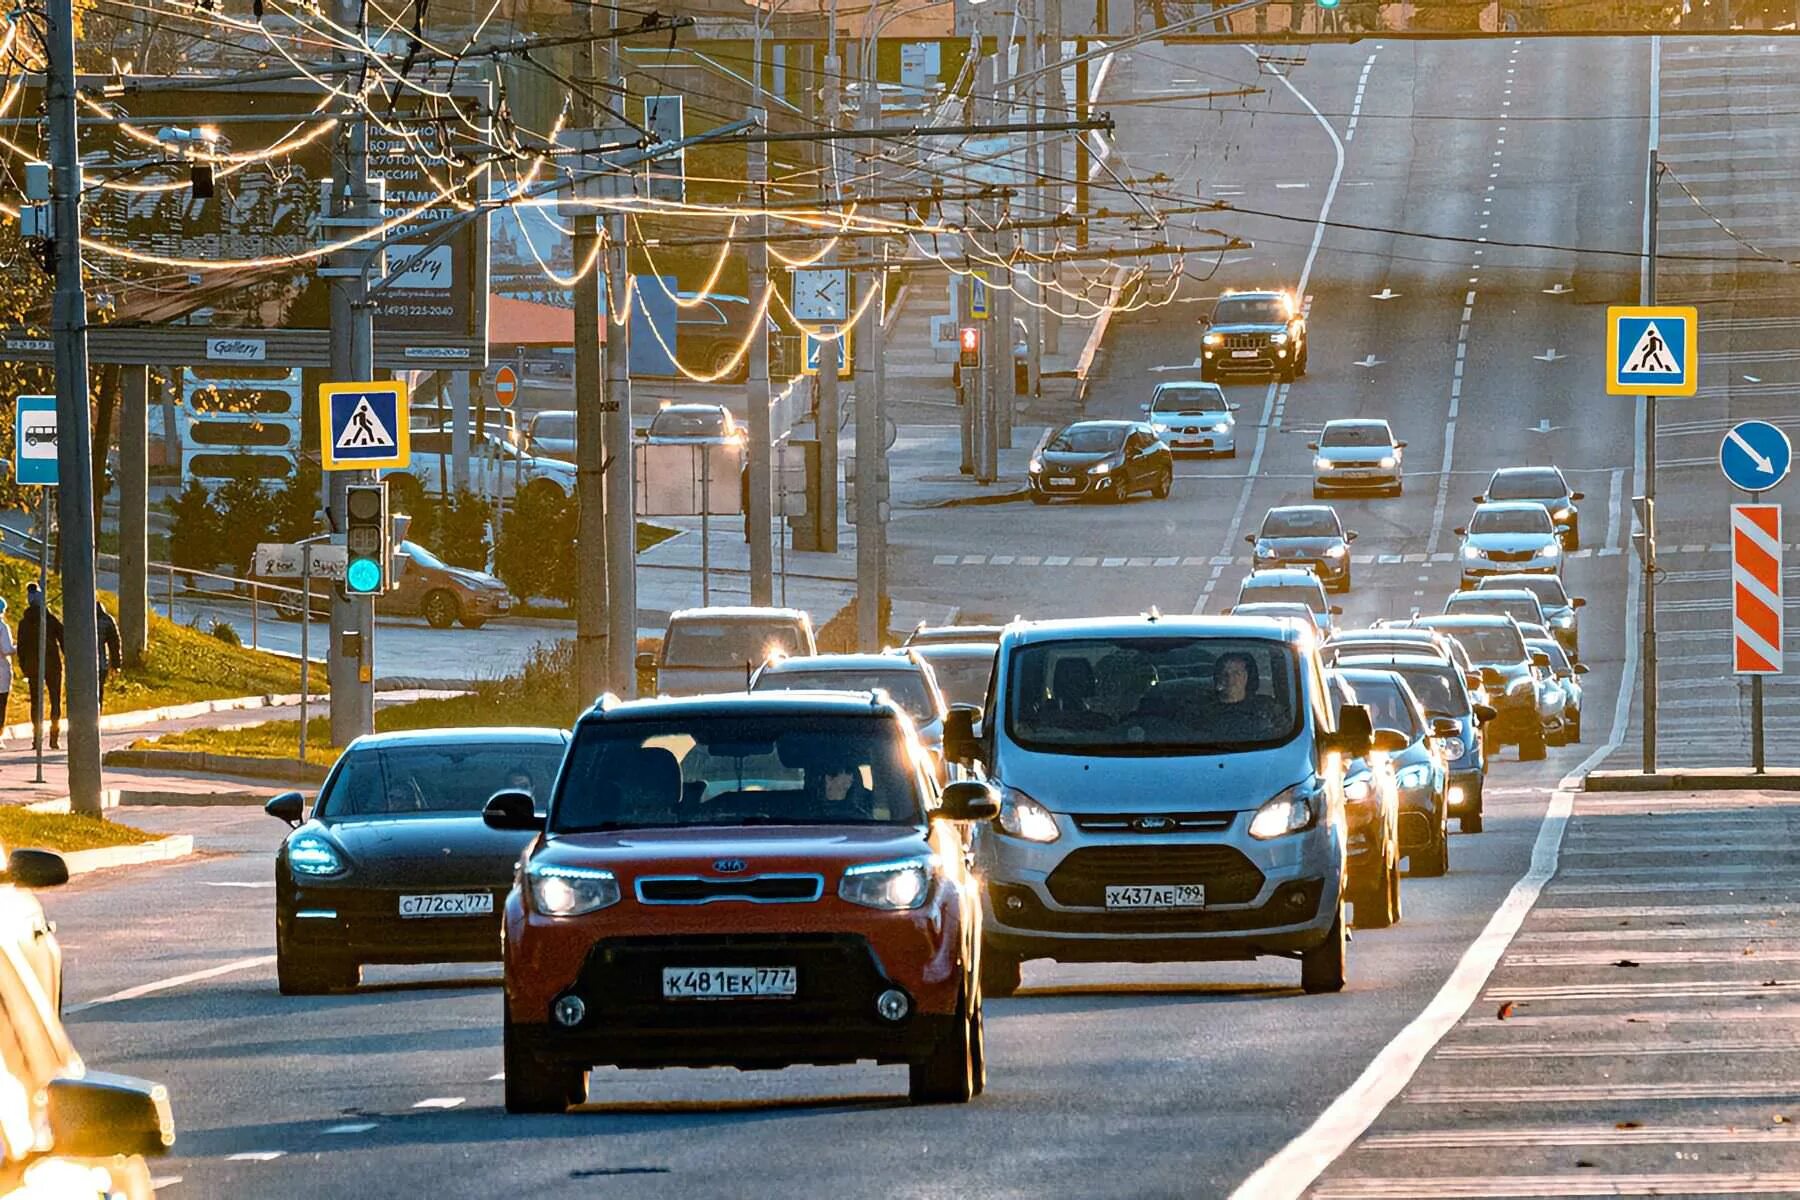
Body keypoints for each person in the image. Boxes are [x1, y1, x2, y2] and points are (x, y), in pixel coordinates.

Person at [14, 584, 63, 752]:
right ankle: (54, 738)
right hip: (53, 665)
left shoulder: (24, 622)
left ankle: (36, 738)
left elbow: (20, 648)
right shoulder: (50, 619)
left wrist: (24, 666)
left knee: (36, 702)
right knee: (55, 700)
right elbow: (64, 640)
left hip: (32, 666)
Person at [95, 601, 122, 711]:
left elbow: (114, 643)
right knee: (98, 690)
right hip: (101, 663)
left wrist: (116, 664)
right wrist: (116, 664)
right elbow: (115, 643)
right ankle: (97, 714)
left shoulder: (78, 617)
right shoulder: (107, 620)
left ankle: (94, 715)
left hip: (93, 664)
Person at [0, 597, 13, 735]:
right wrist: (17, 647)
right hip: (1, 670)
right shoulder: (2, 627)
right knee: (1, 704)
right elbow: (6, 649)